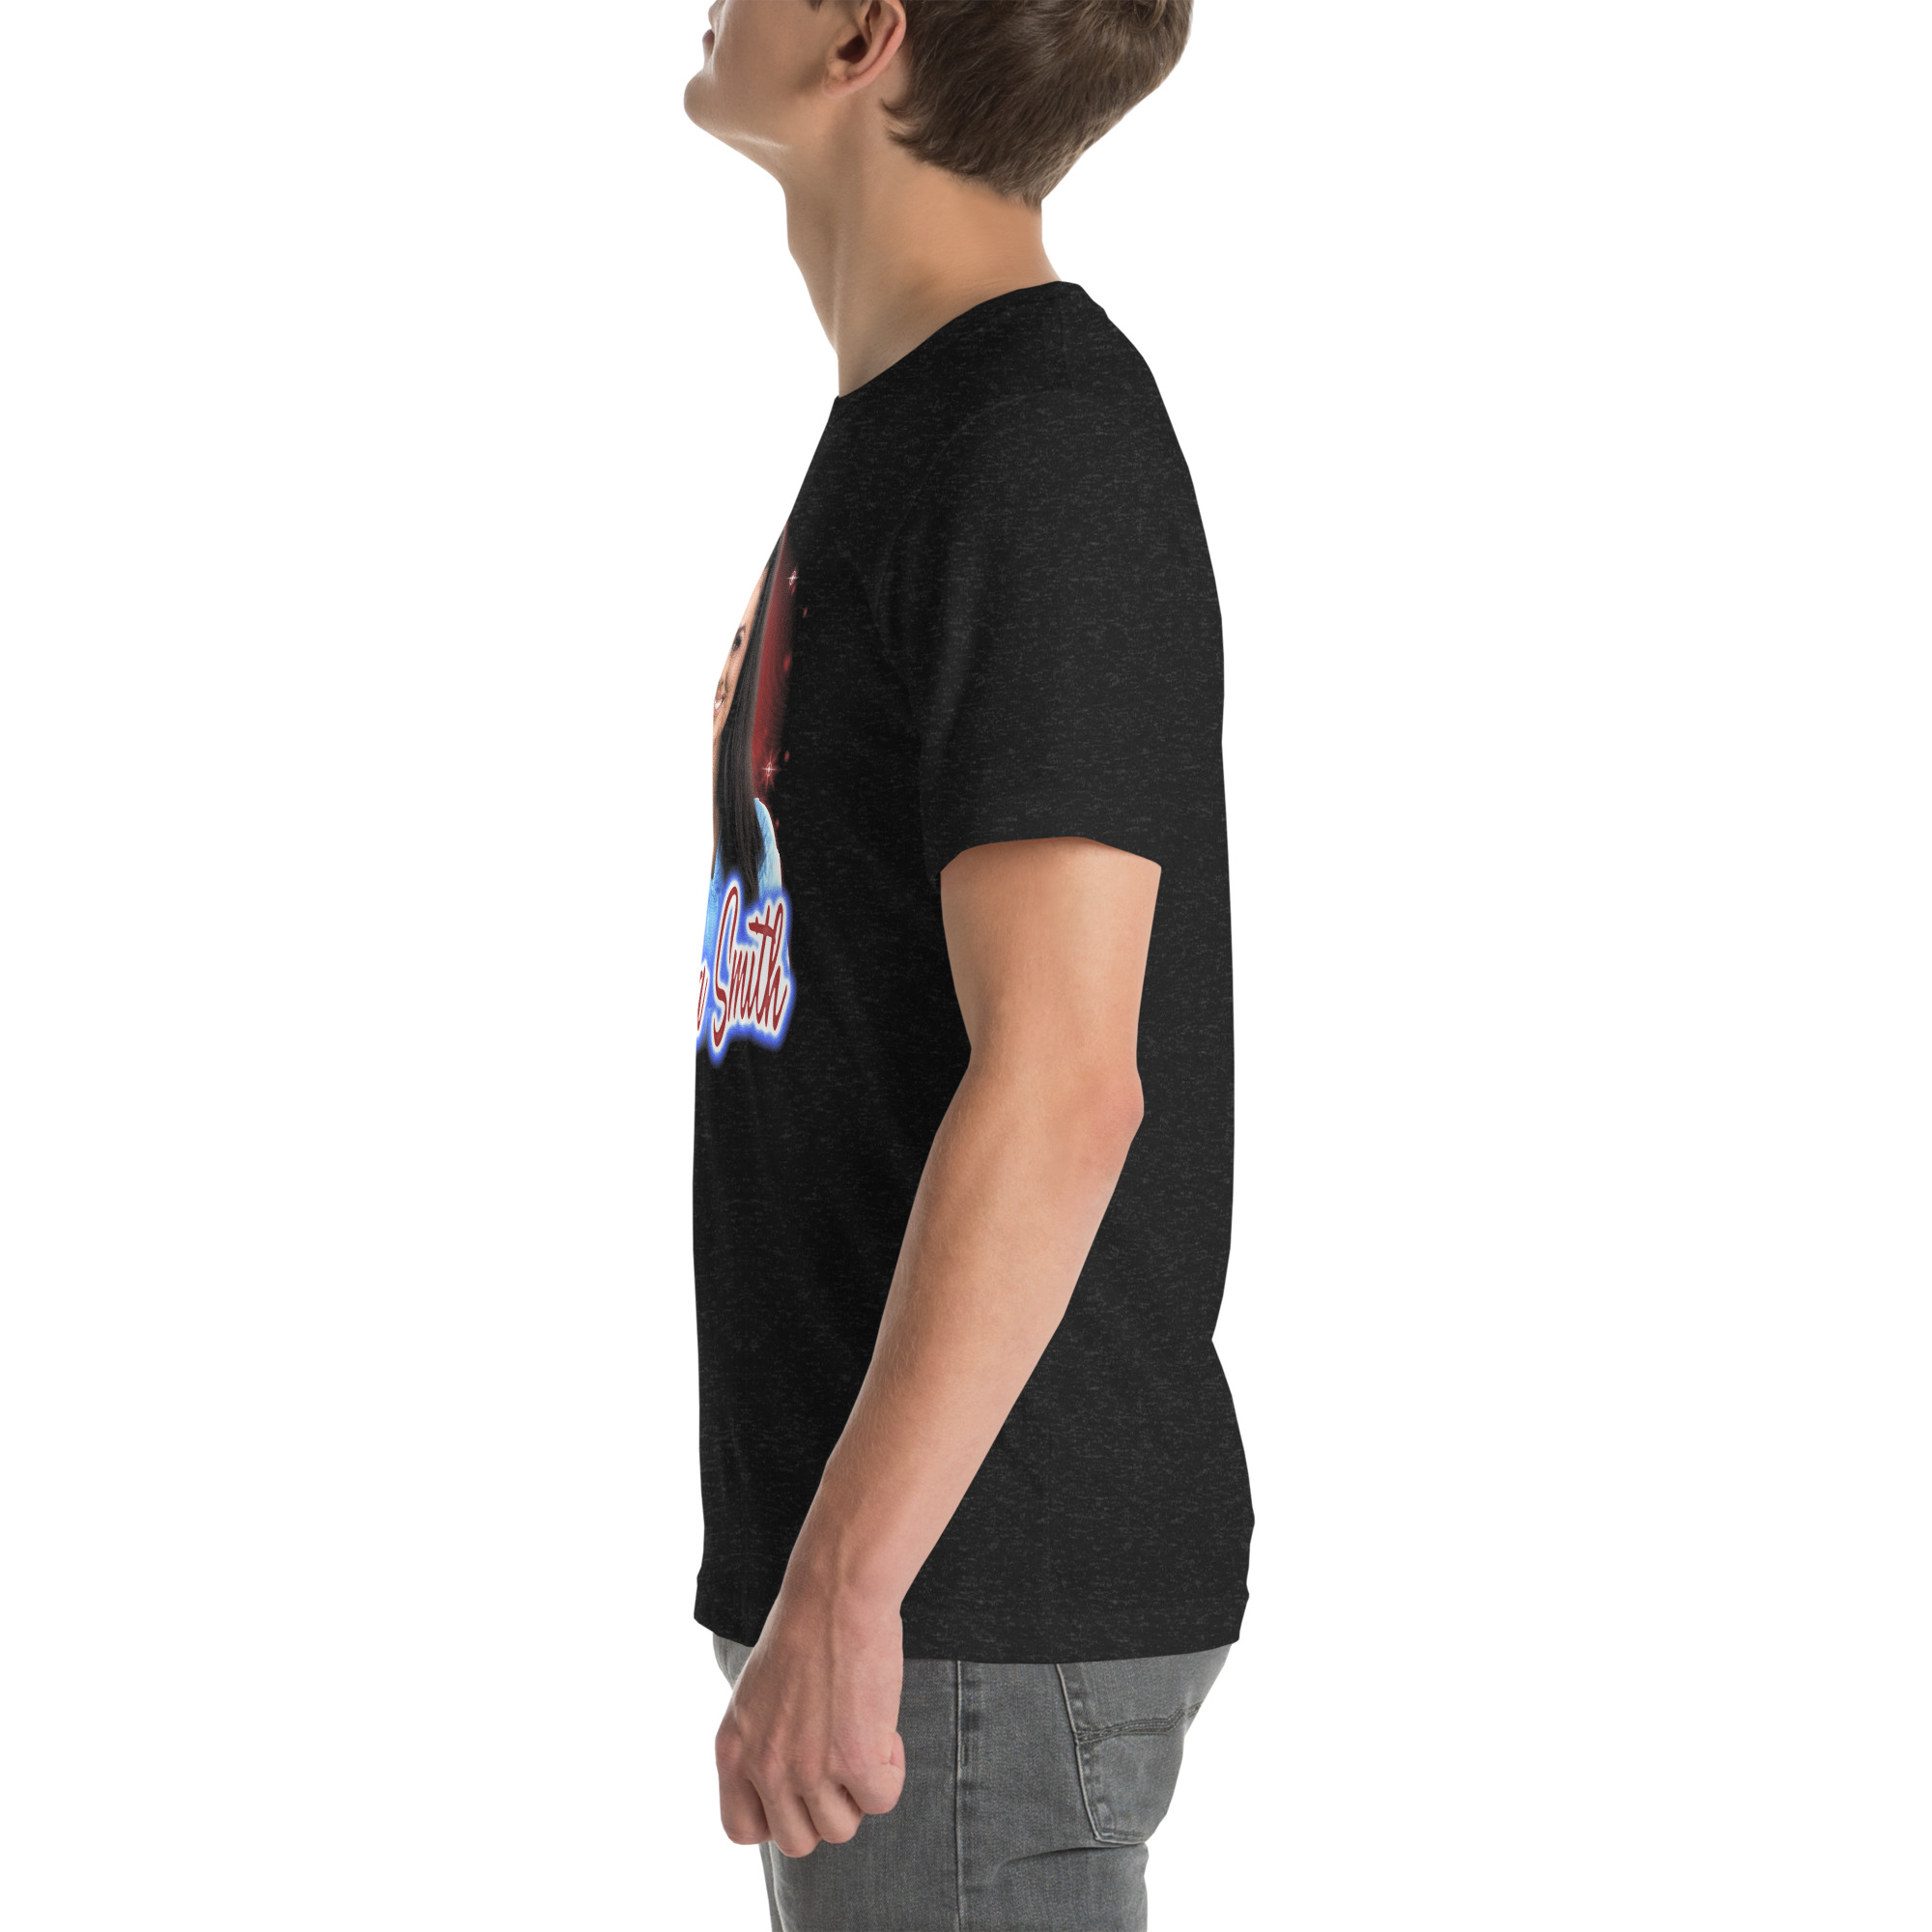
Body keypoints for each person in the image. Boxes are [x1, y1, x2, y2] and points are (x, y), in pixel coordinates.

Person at [682, 3, 1250, 1925]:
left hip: (963, 1616)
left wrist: (850, 1587)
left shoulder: (1033, 444)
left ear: (865, 31)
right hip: (919, 1611)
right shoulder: (921, 432)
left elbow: (1066, 1078)